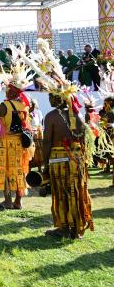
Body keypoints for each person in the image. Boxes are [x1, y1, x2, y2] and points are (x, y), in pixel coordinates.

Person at [43, 93, 94, 239]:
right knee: (75, 192)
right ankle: (76, 229)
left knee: (62, 193)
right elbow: (83, 139)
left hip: (58, 160)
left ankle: (64, 228)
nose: (49, 99)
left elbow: (47, 142)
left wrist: (45, 164)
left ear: (58, 98)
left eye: (51, 97)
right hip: (76, 161)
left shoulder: (51, 116)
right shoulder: (77, 116)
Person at [0, 54, 34, 210]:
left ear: (11, 91)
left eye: (7, 89)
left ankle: (7, 201)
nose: (5, 91)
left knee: (5, 170)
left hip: (7, 142)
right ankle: (18, 202)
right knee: (20, 171)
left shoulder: (4, 106)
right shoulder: (24, 106)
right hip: (21, 144)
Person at [29, 99, 45, 172]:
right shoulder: (27, 112)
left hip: (37, 134)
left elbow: (41, 123)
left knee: (38, 151)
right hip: (30, 134)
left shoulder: (38, 112)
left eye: (32, 104)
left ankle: (39, 167)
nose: (31, 105)